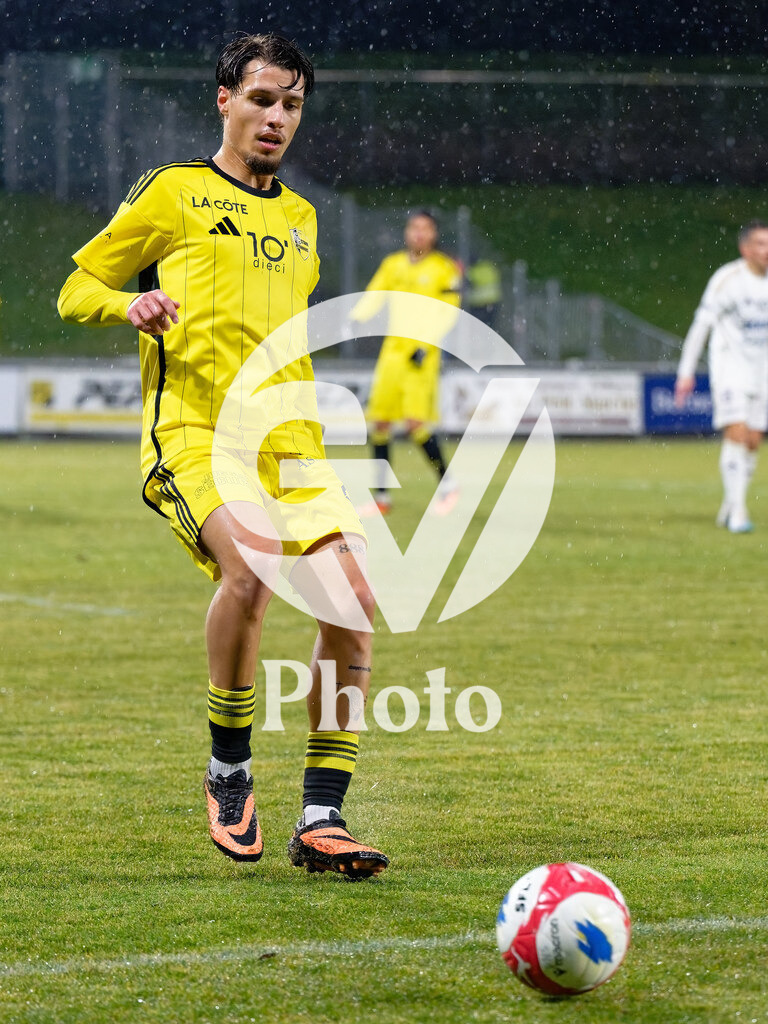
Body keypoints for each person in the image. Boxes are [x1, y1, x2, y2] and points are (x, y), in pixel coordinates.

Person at [57, 33, 388, 879]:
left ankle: (322, 816)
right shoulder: (175, 192)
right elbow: (77, 285)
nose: (277, 118)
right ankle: (230, 769)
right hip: (195, 435)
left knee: (353, 602)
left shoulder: (302, 218)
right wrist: (127, 307)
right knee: (251, 571)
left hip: (294, 445)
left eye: (292, 105)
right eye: (263, 100)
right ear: (225, 101)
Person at [350, 211, 462, 516]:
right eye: (414, 228)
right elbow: (375, 294)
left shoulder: (444, 269)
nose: (419, 234)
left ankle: (449, 486)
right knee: (380, 422)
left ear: (434, 234)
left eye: (426, 229)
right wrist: (357, 318)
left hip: (421, 355)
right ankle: (381, 499)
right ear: (407, 232)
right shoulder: (393, 264)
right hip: (393, 352)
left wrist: (427, 345)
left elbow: (449, 311)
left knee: (415, 424)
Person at [675, 220, 768, 534]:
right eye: (759, 244)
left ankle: (731, 502)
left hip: (762, 371)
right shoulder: (727, 280)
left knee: (753, 441)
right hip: (730, 368)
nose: (766, 251)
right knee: (737, 433)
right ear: (745, 249)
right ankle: (739, 513)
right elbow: (701, 325)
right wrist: (685, 372)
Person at [465, 255, 502, 328]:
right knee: (490, 325)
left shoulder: (472, 271)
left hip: (479, 304)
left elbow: (467, 283)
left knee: (477, 326)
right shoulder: (489, 266)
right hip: (493, 301)